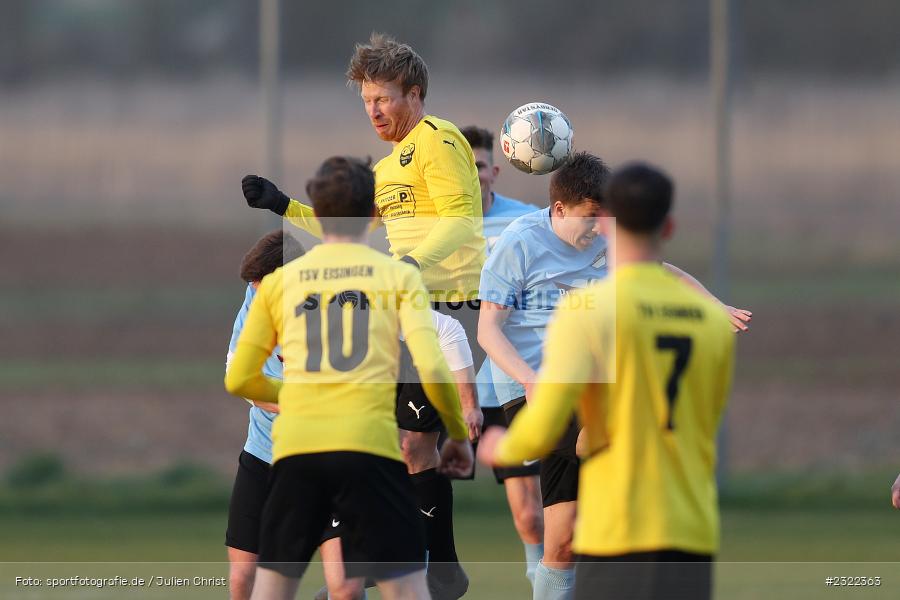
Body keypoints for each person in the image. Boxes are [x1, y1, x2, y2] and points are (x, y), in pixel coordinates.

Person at [241, 33, 485, 597]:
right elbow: (350, 224)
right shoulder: (393, 163)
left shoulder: (436, 139)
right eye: (367, 101)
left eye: (383, 98)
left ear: (414, 94)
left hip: (444, 305)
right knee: (395, 446)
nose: (374, 111)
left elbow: (461, 219)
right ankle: (417, 567)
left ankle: (425, 567)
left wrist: (413, 264)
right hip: (404, 309)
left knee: (409, 446)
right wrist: (282, 204)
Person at [478, 152, 748, 600]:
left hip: (588, 392)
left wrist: (715, 304)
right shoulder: (520, 243)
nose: (597, 230)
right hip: (531, 388)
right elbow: (488, 330)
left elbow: (664, 271)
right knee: (609, 436)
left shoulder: (602, 255)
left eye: (603, 221)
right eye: (590, 218)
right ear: (560, 209)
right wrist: (530, 381)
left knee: (562, 541)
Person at [225, 230, 365, 600]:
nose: (258, 296)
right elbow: (236, 374)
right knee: (243, 580)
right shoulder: (255, 297)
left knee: (345, 587)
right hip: (265, 453)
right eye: (254, 288)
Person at [460, 125, 545, 586]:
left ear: (494, 171)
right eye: (461, 166)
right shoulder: (427, 229)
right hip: (446, 387)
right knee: (410, 490)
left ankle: (547, 586)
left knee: (531, 516)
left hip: (505, 386)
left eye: (477, 165)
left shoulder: (524, 224)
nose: (471, 174)